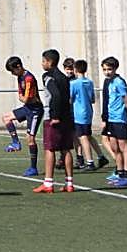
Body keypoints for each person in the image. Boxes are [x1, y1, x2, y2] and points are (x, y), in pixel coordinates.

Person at [33, 49, 76, 194]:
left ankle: (48, 183)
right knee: (66, 149)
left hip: (53, 117)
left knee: (50, 149)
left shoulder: (48, 76)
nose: (42, 64)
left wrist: (54, 116)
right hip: (67, 117)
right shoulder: (64, 77)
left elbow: (55, 95)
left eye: (43, 61)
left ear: (50, 62)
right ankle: (69, 183)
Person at [1, 55, 44, 176]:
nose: (12, 74)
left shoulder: (29, 78)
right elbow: (21, 95)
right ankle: (16, 143)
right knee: (6, 118)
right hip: (27, 108)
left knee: (30, 138)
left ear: (19, 66)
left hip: (35, 110)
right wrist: (23, 98)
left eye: (13, 71)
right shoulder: (20, 77)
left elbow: (25, 98)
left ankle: (33, 168)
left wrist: (23, 98)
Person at [101, 56, 127, 187]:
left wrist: (123, 116)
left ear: (115, 69)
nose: (107, 72)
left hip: (119, 119)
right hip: (110, 119)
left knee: (123, 147)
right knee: (114, 147)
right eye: (104, 69)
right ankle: (119, 174)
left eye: (109, 69)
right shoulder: (109, 82)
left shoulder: (119, 82)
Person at [71, 59, 110, 171]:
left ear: (75, 70)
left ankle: (90, 162)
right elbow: (92, 99)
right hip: (88, 111)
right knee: (88, 135)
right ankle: (101, 156)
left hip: (79, 113)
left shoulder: (74, 83)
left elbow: (70, 98)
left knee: (83, 137)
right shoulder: (89, 82)